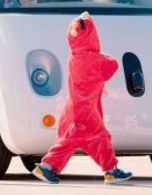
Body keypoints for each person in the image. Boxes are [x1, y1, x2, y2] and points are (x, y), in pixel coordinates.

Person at [31, 12, 132, 185]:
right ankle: (110, 171)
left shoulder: (74, 58)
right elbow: (113, 64)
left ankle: (48, 166)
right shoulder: (94, 59)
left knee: (70, 141)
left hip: (73, 108)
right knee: (100, 137)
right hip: (86, 111)